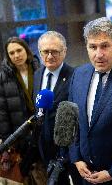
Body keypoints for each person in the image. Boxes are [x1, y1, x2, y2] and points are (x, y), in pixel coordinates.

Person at [68, 17, 112, 185]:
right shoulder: (78, 75)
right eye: (92, 47)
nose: (98, 54)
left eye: (104, 46)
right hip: (85, 175)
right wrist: (76, 157)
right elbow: (72, 121)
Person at [33, 31, 81, 185]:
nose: (49, 56)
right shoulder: (38, 75)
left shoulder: (77, 76)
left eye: (55, 51)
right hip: (47, 147)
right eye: (45, 51)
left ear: (64, 52)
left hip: (71, 148)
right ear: (40, 53)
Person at [0, 37, 40, 184]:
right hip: (21, 135)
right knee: (28, 175)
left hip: (42, 132)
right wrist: (8, 141)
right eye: (11, 53)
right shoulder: (3, 78)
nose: (16, 55)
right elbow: (2, 114)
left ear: (26, 50)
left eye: (19, 50)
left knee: (47, 173)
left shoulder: (39, 69)